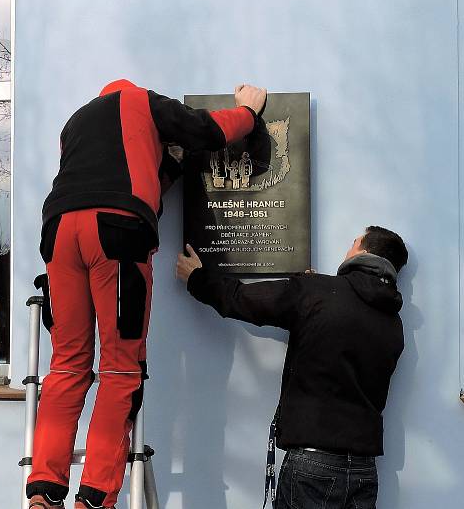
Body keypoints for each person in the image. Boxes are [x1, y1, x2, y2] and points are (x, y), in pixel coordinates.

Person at [26, 79, 268, 509]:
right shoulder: (139, 100)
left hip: (59, 233)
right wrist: (248, 113)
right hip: (116, 234)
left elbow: (133, 184)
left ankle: (43, 491)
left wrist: (170, 165)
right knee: (120, 368)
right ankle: (94, 498)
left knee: (66, 366)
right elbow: (208, 131)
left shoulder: (75, 124)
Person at [176, 225, 408, 509]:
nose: (347, 249)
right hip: (364, 468)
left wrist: (197, 278)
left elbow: (244, 300)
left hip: (312, 464)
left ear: (364, 251)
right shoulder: (393, 324)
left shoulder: (316, 292)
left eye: (353, 242)